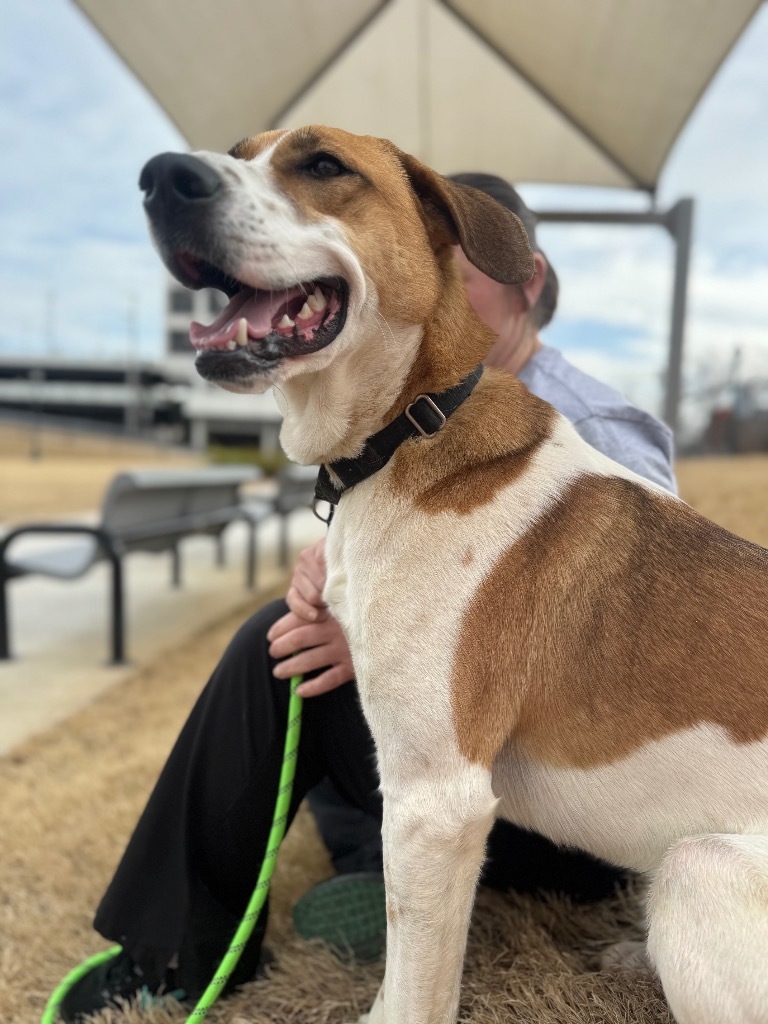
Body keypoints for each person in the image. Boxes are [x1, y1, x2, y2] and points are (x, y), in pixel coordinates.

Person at [60, 173, 676, 1022]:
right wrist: (335, 579)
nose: (425, 283)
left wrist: (385, 637)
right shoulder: (426, 414)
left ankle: (177, 953)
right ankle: (364, 856)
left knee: (272, 654)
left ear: (526, 281)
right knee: (303, 636)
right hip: (490, 763)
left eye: (454, 267)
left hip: (579, 802)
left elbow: (630, 642)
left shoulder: (595, 429)